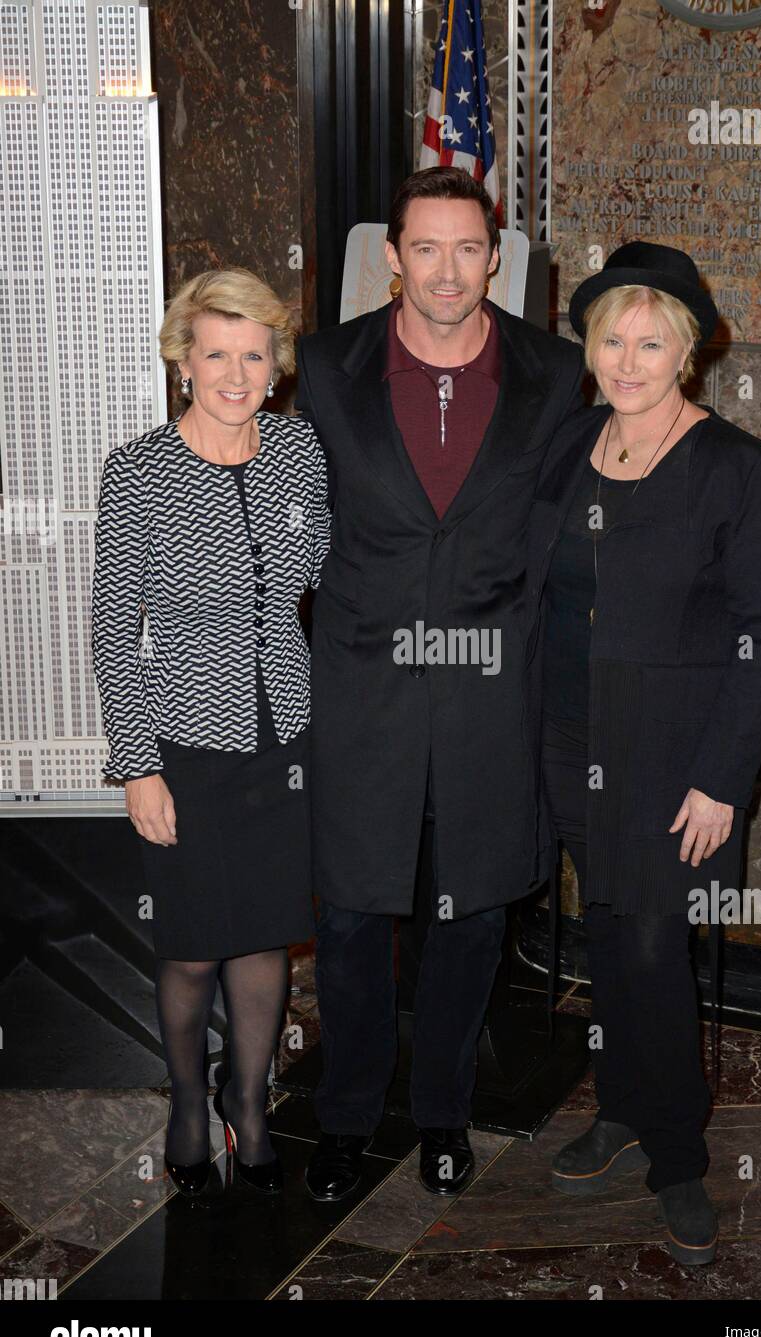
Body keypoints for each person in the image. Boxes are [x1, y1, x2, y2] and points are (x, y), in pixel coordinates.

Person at [295, 167, 585, 1201]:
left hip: (488, 695)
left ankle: (440, 1113)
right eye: (426, 247)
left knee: (467, 918)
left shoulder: (557, 374)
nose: (447, 270)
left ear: (494, 258)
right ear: (392, 255)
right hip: (362, 693)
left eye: (468, 248)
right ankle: (341, 1119)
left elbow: (572, 537)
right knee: (349, 919)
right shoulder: (325, 367)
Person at [524, 241, 761, 1265]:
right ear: (588, 348)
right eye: (609, 339)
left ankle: (674, 1151)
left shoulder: (736, 469)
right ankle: (624, 1106)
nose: (626, 360)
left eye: (650, 341)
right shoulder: (569, 444)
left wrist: (722, 779)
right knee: (606, 930)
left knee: (647, 945)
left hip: (671, 759)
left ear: (686, 353)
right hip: (565, 737)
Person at [91, 268, 330, 1198]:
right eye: (217, 353)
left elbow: (322, 566)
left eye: (255, 354)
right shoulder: (141, 470)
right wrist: (137, 766)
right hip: (185, 743)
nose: (237, 373)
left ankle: (251, 1103)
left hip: (288, 740)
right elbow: (114, 629)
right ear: (183, 362)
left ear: (276, 365)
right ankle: (188, 1102)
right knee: (192, 944)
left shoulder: (300, 453)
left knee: (264, 936)